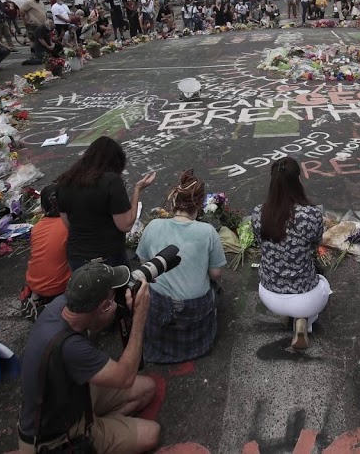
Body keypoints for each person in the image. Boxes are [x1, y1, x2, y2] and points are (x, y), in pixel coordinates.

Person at [16, 262, 159, 454]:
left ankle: (99, 425)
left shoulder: (63, 305)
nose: (114, 302)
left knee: (147, 389)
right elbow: (125, 377)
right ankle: (90, 434)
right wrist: (139, 316)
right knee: (152, 433)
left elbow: (95, 322)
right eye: (111, 299)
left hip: (70, 396)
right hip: (54, 437)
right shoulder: (71, 348)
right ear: (102, 306)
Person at [136, 169, 226, 363]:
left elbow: (144, 266)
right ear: (200, 204)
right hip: (195, 310)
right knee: (215, 287)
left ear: (174, 201)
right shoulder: (207, 231)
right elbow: (216, 273)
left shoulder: (153, 226)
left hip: (159, 306)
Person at [251, 159, 329, 350]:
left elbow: (261, 244)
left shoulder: (259, 213)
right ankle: (304, 321)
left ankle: (288, 314)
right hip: (305, 297)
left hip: (269, 294)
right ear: (298, 180)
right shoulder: (312, 214)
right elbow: (315, 243)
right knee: (323, 282)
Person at [56, 136, 156, 271]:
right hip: (108, 256)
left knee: (87, 291)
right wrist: (138, 189)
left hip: (77, 256)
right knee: (119, 291)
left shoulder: (64, 181)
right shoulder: (111, 181)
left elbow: (67, 223)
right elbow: (125, 224)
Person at [21, 184, 71, 317]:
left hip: (34, 283)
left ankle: (39, 299)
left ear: (43, 208)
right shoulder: (69, 226)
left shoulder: (36, 228)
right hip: (59, 287)